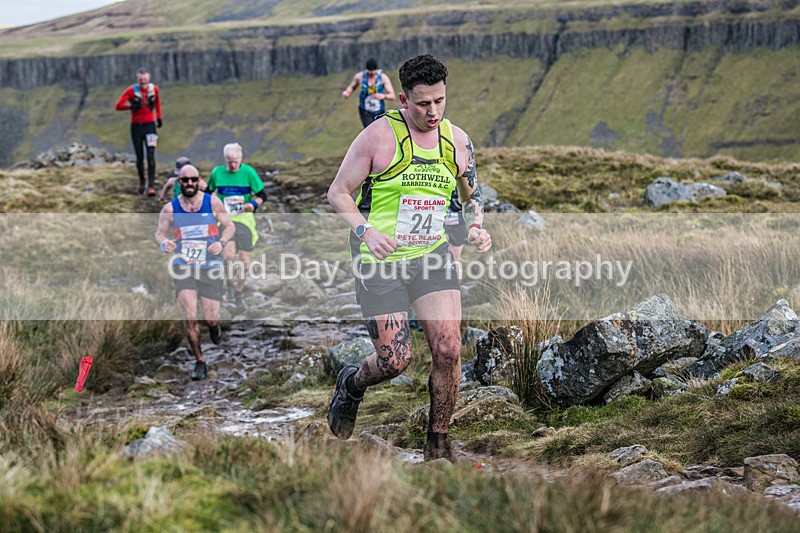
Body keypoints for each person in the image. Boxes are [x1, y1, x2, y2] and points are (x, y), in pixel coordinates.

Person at [326, 54, 492, 462]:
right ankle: (352, 382)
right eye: (422, 103)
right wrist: (366, 230)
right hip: (380, 258)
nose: (433, 111)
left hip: (431, 253)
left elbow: (472, 193)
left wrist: (476, 226)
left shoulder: (457, 141)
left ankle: (437, 446)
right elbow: (338, 193)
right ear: (403, 99)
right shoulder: (377, 137)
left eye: (439, 101)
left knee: (450, 348)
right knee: (395, 361)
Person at [155, 164, 235, 380]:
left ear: (199, 180)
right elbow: (160, 234)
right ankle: (200, 362)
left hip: (210, 266)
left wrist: (221, 242)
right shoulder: (170, 209)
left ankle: (214, 327)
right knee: (189, 317)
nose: (189, 183)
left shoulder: (212, 202)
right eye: (185, 180)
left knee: (210, 319)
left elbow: (229, 226)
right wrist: (164, 244)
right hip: (184, 268)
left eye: (193, 179)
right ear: (179, 183)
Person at [206, 143, 267, 308]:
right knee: (228, 255)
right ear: (225, 159)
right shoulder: (217, 173)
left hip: (244, 221)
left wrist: (253, 204)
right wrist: (212, 207)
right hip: (225, 220)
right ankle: (229, 286)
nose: (232, 165)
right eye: (229, 161)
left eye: (235, 161)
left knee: (244, 261)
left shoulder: (249, 173)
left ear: (241, 159)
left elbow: (262, 195)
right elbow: (207, 193)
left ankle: (239, 292)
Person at [115, 67, 163, 196]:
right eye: (141, 80)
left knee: (151, 155)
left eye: (145, 80)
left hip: (150, 126)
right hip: (136, 127)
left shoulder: (154, 90)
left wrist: (159, 117)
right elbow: (118, 105)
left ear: (149, 78)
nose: (143, 82)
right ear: (137, 79)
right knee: (140, 157)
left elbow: (157, 102)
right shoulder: (131, 91)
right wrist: (130, 107)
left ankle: (151, 186)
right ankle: (142, 182)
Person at [341, 58, 396, 128]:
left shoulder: (383, 78)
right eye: (370, 71)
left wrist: (383, 96)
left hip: (379, 111)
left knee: (380, 130)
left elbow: (392, 96)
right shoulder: (359, 77)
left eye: (374, 71)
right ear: (366, 69)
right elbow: (352, 87)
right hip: (365, 111)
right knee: (370, 129)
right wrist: (347, 93)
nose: (372, 73)